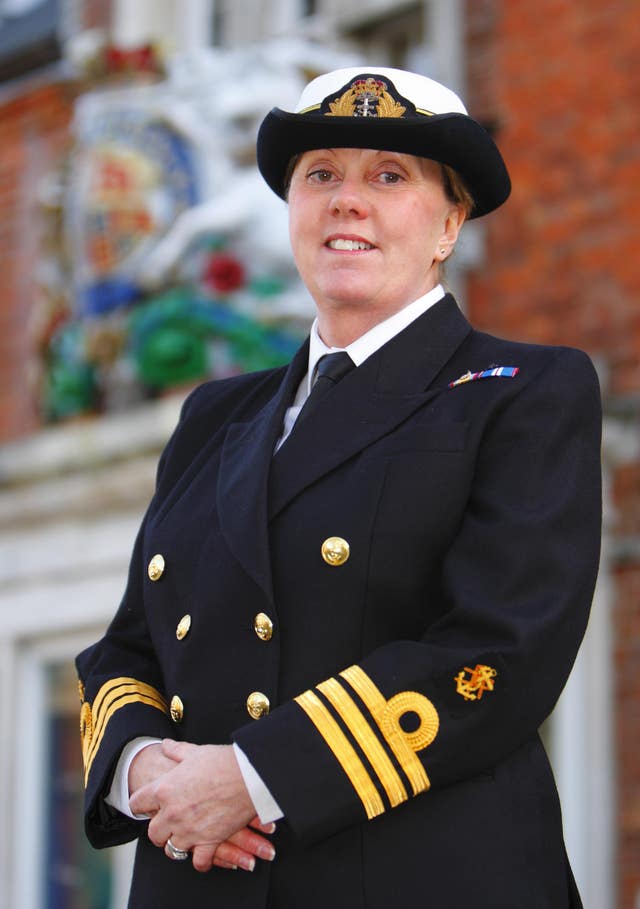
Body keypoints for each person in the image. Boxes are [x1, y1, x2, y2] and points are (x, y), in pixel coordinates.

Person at [76, 66, 602, 908]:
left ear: (450, 222)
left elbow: (500, 649)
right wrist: (143, 771)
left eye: (389, 176)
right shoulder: (215, 415)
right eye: (321, 174)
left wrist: (256, 775)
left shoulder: (524, 390)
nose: (346, 201)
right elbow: (127, 650)